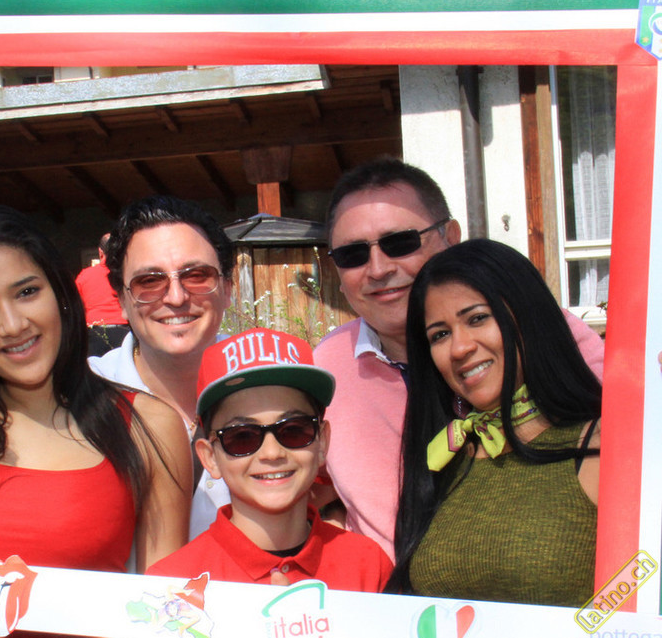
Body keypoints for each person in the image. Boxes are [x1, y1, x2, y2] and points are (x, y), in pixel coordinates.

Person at [0, 206, 192, 635]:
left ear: (59, 291)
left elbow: (165, 618)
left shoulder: (147, 426)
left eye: (26, 292)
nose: (12, 325)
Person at [313, 156, 605, 561]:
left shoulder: (539, 333)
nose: (378, 269)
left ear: (450, 236)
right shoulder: (326, 367)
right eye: (352, 254)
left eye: (400, 243)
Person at [386, 239, 601, 607]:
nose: (459, 348)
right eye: (440, 334)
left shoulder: (603, 443)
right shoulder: (444, 457)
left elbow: (637, 595)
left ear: (528, 317)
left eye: (477, 318)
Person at [147, 328, 393, 592]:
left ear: (322, 441)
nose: (272, 453)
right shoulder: (170, 586)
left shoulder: (369, 565)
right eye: (242, 436)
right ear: (210, 458)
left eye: (294, 430)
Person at [89, 195, 234, 539]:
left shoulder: (274, 381)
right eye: (149, 282)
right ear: (122, 300)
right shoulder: (83, 397)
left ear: (228, 287)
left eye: (196, 276)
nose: (176, 297)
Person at [74, 233, 130, 356]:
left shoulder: (85, 275)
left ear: (100, 252)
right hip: (124, 332)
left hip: (95, 333)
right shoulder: (125, 274)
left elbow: (75, 307)